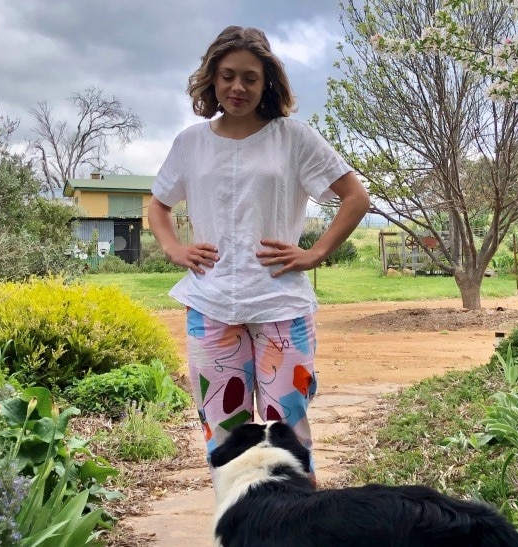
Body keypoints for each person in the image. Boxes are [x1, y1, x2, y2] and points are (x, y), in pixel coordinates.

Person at [148, 25, 370, 488]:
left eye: (250, 77)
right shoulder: (190, 143)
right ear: (211, 79)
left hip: (280, 304)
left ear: (267, 81)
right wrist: (174, 248)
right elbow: (159, 204)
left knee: (287, 431)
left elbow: (355, 197)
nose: (238, 87)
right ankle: (243, 527)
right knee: (223, 434)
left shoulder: (293, 137)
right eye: (227, 76)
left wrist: (315, 253)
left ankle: (298, 528)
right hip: (210, 304)